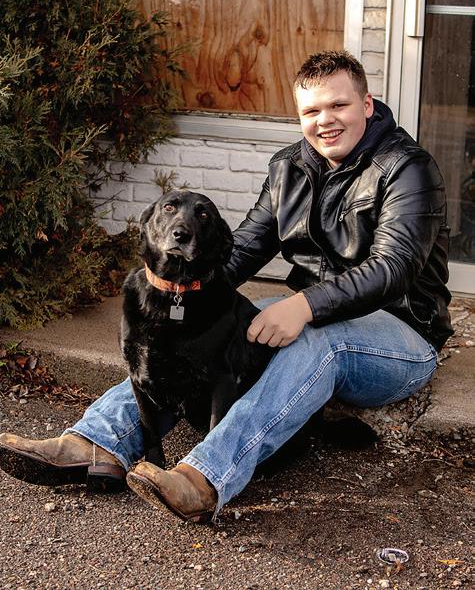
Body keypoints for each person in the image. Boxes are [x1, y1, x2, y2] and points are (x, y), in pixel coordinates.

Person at [0, 51, 453, 523]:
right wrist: (173, 294)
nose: (325, 121)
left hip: (401, 333)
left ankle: (205, 478)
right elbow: (241, 250)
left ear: (367, 104)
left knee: (321, 340)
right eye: (312, 111)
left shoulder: (406, 168)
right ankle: (95, 442)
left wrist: (305, 305)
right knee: (218, 323)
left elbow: (394, 267)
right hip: (315, 310)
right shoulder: (289, 168)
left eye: (338, 105)